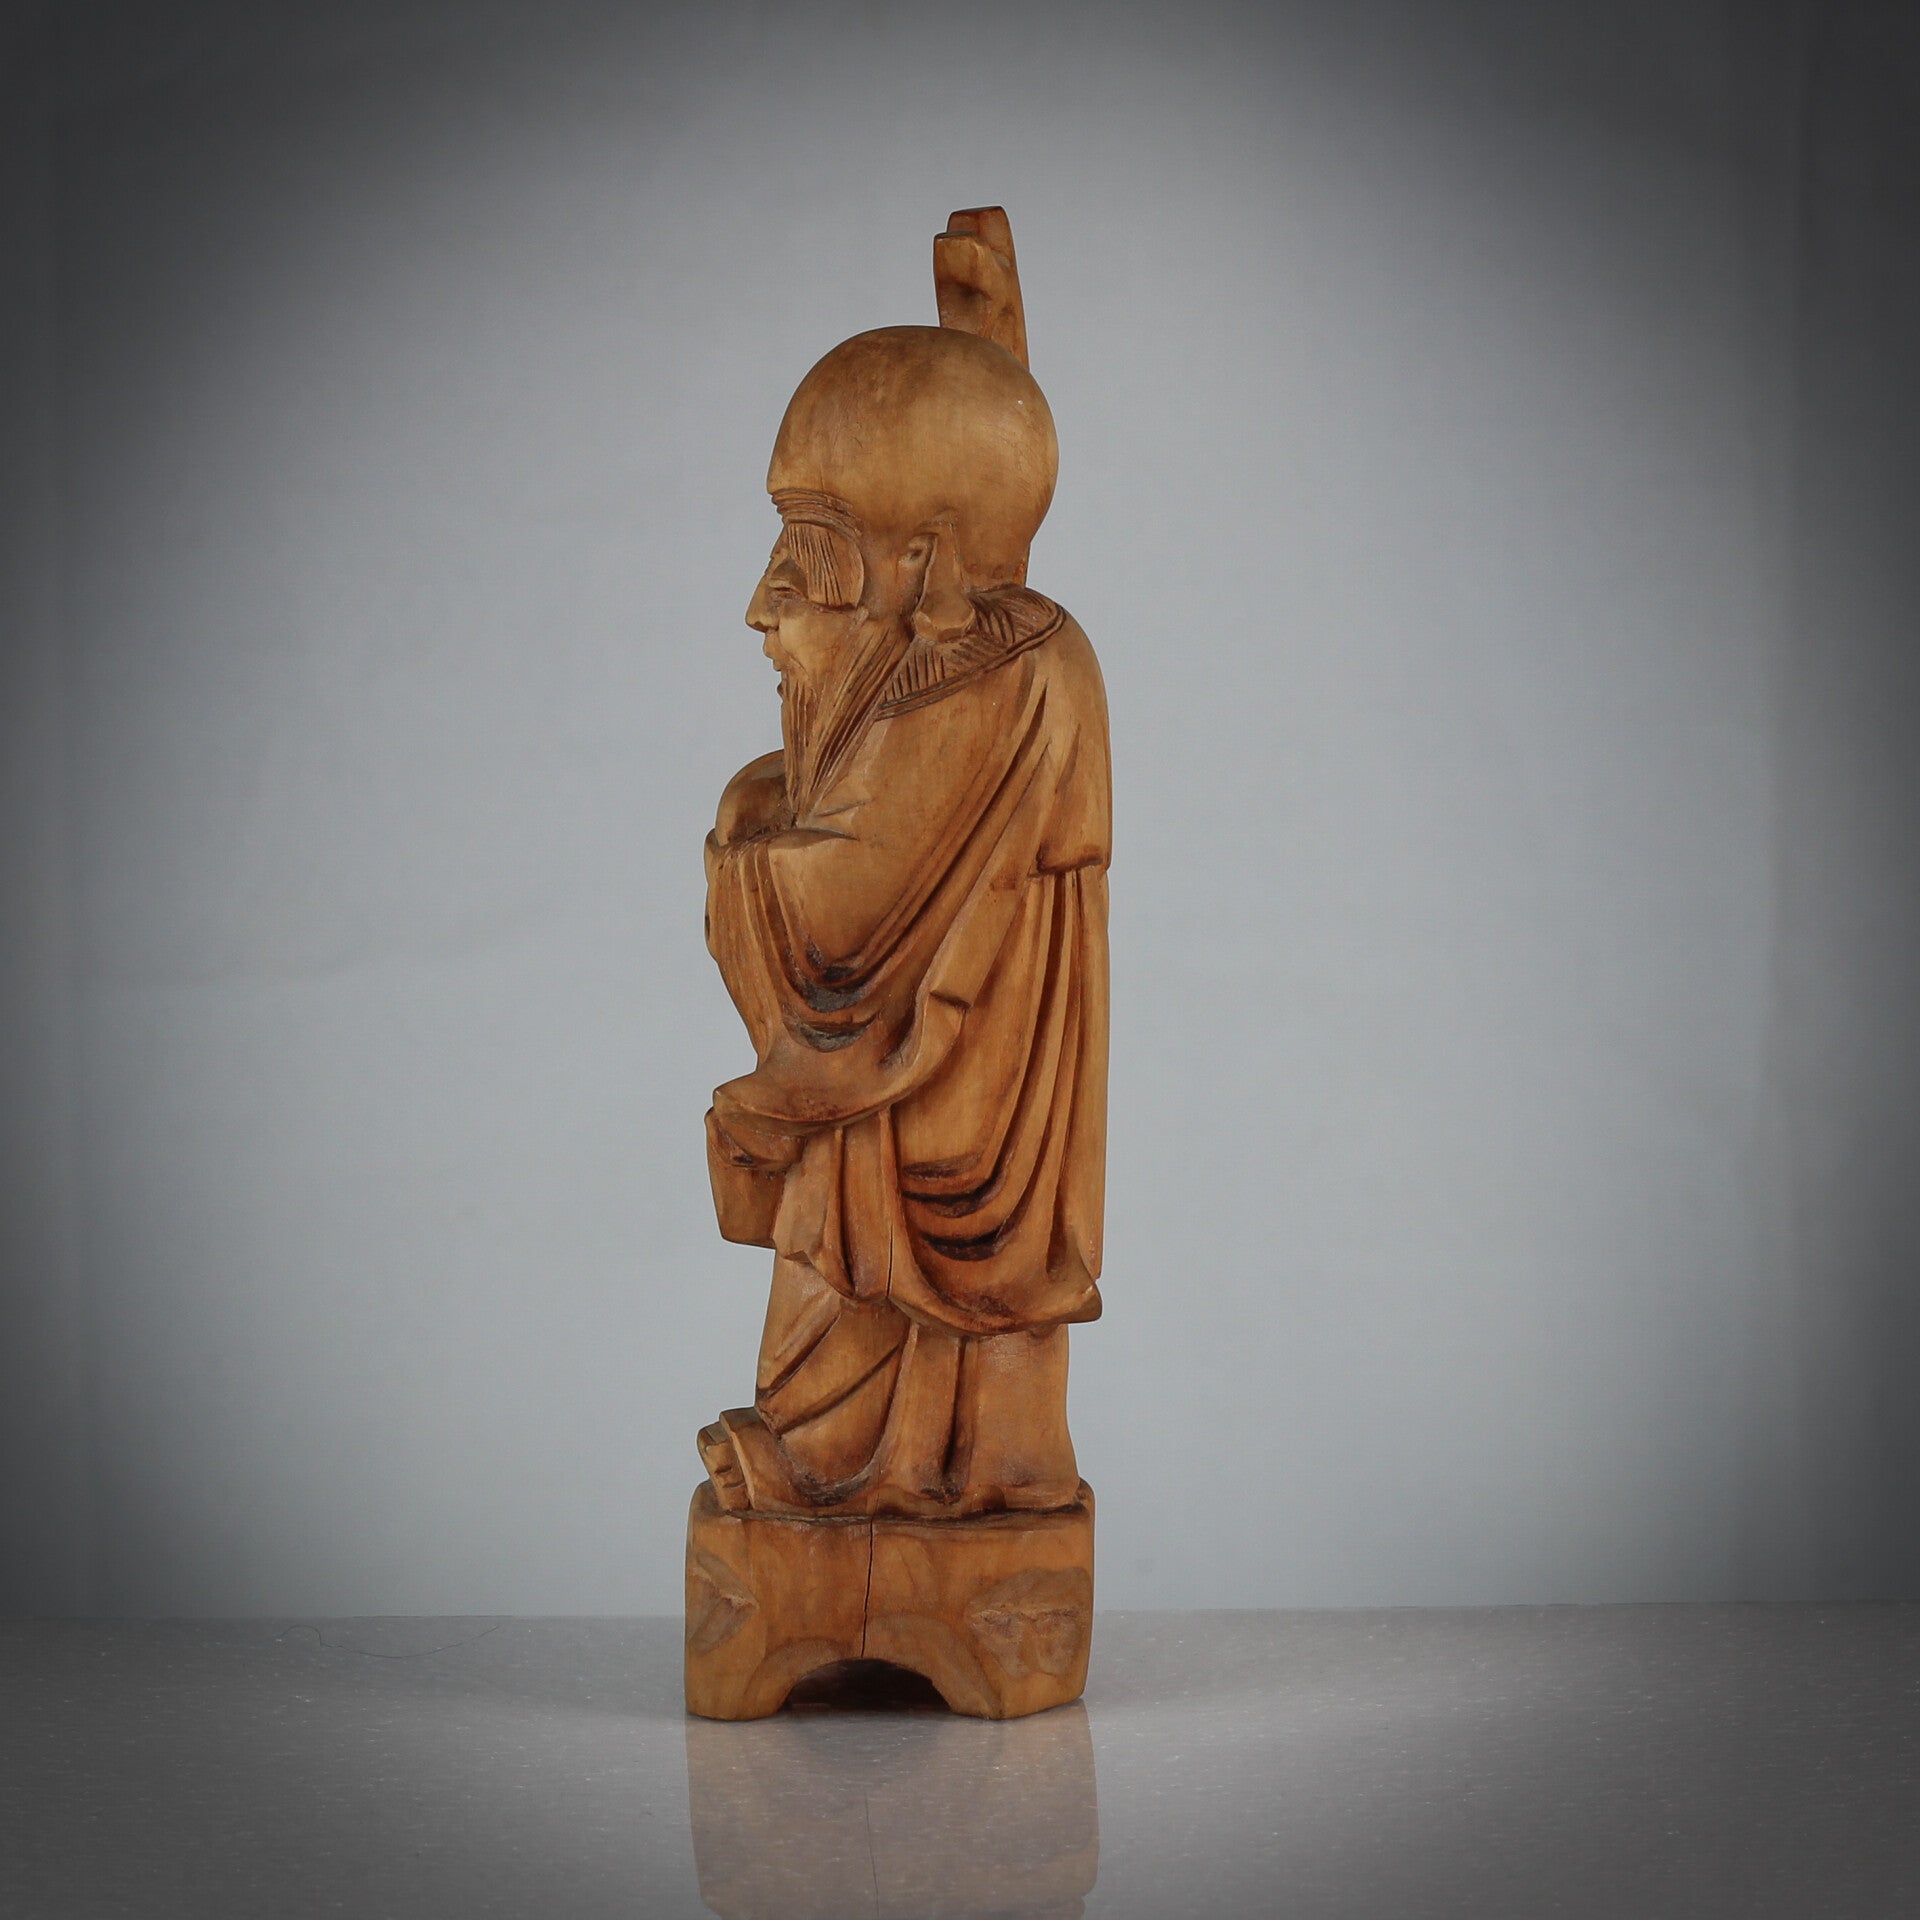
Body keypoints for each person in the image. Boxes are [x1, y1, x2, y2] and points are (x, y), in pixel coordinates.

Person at [696, 315, 1111, 1520]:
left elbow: (845, 923)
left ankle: (888, 1475)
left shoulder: (1000, 673)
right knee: (850, 1298)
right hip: (923, 1100)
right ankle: (891, 1473)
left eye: (806, 554)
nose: (762, 609)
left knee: (877, 1314)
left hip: (953, 1104)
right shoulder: (992, 660)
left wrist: (739, 843)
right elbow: (856, 814)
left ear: (923, 554)